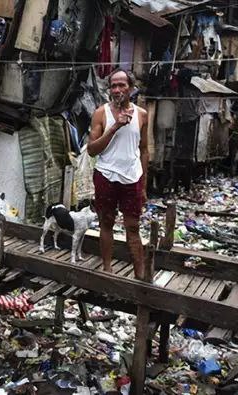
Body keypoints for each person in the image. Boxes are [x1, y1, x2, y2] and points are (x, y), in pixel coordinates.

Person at [88, 69, 149, 279]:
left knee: (133, 226)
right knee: (106, 221)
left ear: (130, 88)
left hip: (132, 177)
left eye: (122, 85)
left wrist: (144, 186)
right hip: (106, 174)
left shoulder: (141, 114)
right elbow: (92, 150)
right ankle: (107, 271)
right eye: (113, 85)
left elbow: (144, 150)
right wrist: (115, 127)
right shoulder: (100, 113)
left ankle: (140, 276)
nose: (117, 90)